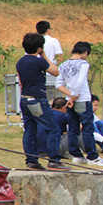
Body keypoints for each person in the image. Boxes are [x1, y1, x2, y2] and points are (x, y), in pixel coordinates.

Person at [16, 33, 70, 171]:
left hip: (24, 99)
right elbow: (55, 72)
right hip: (37, 99)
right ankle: (54, 161)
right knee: (53, 129)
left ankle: (31, 161)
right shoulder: (39, 61)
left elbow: (21, 83)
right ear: (39, 48)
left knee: (29, 131)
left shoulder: (20, 62)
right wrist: (44, 55)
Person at [56, 41, 103, 167]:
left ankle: (77, 155)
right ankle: (92, 156)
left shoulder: (63, 65)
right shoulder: (83, 64)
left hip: (70, 100)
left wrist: (69, 96)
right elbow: (80, 82)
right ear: (85, 52)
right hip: (83, 99)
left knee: (73, 128)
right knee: (87, 128)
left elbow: (58, 84)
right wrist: (73, 97)